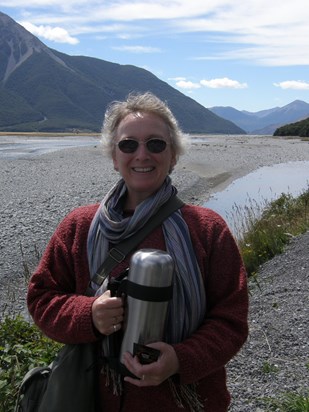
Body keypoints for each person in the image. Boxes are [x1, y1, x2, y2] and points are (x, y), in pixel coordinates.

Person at [27, 92, 248, 411]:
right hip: (96, 400)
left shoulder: (207, 229)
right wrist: (88, 314)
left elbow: (231, 320)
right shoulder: (79, 226)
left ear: (173, 155)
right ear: (114, 157)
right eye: (128, 145)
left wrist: (179, 359)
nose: (141, 155)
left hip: (189, 402)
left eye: (155, 144)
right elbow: (41, 298)